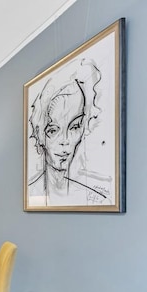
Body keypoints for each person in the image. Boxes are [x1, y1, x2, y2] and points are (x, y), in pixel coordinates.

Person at [27, 58, 111, 206]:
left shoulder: (99, 199)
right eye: (53, 130)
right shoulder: (31, 192)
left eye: (74, 127)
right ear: (40, 134)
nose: (65, 141)